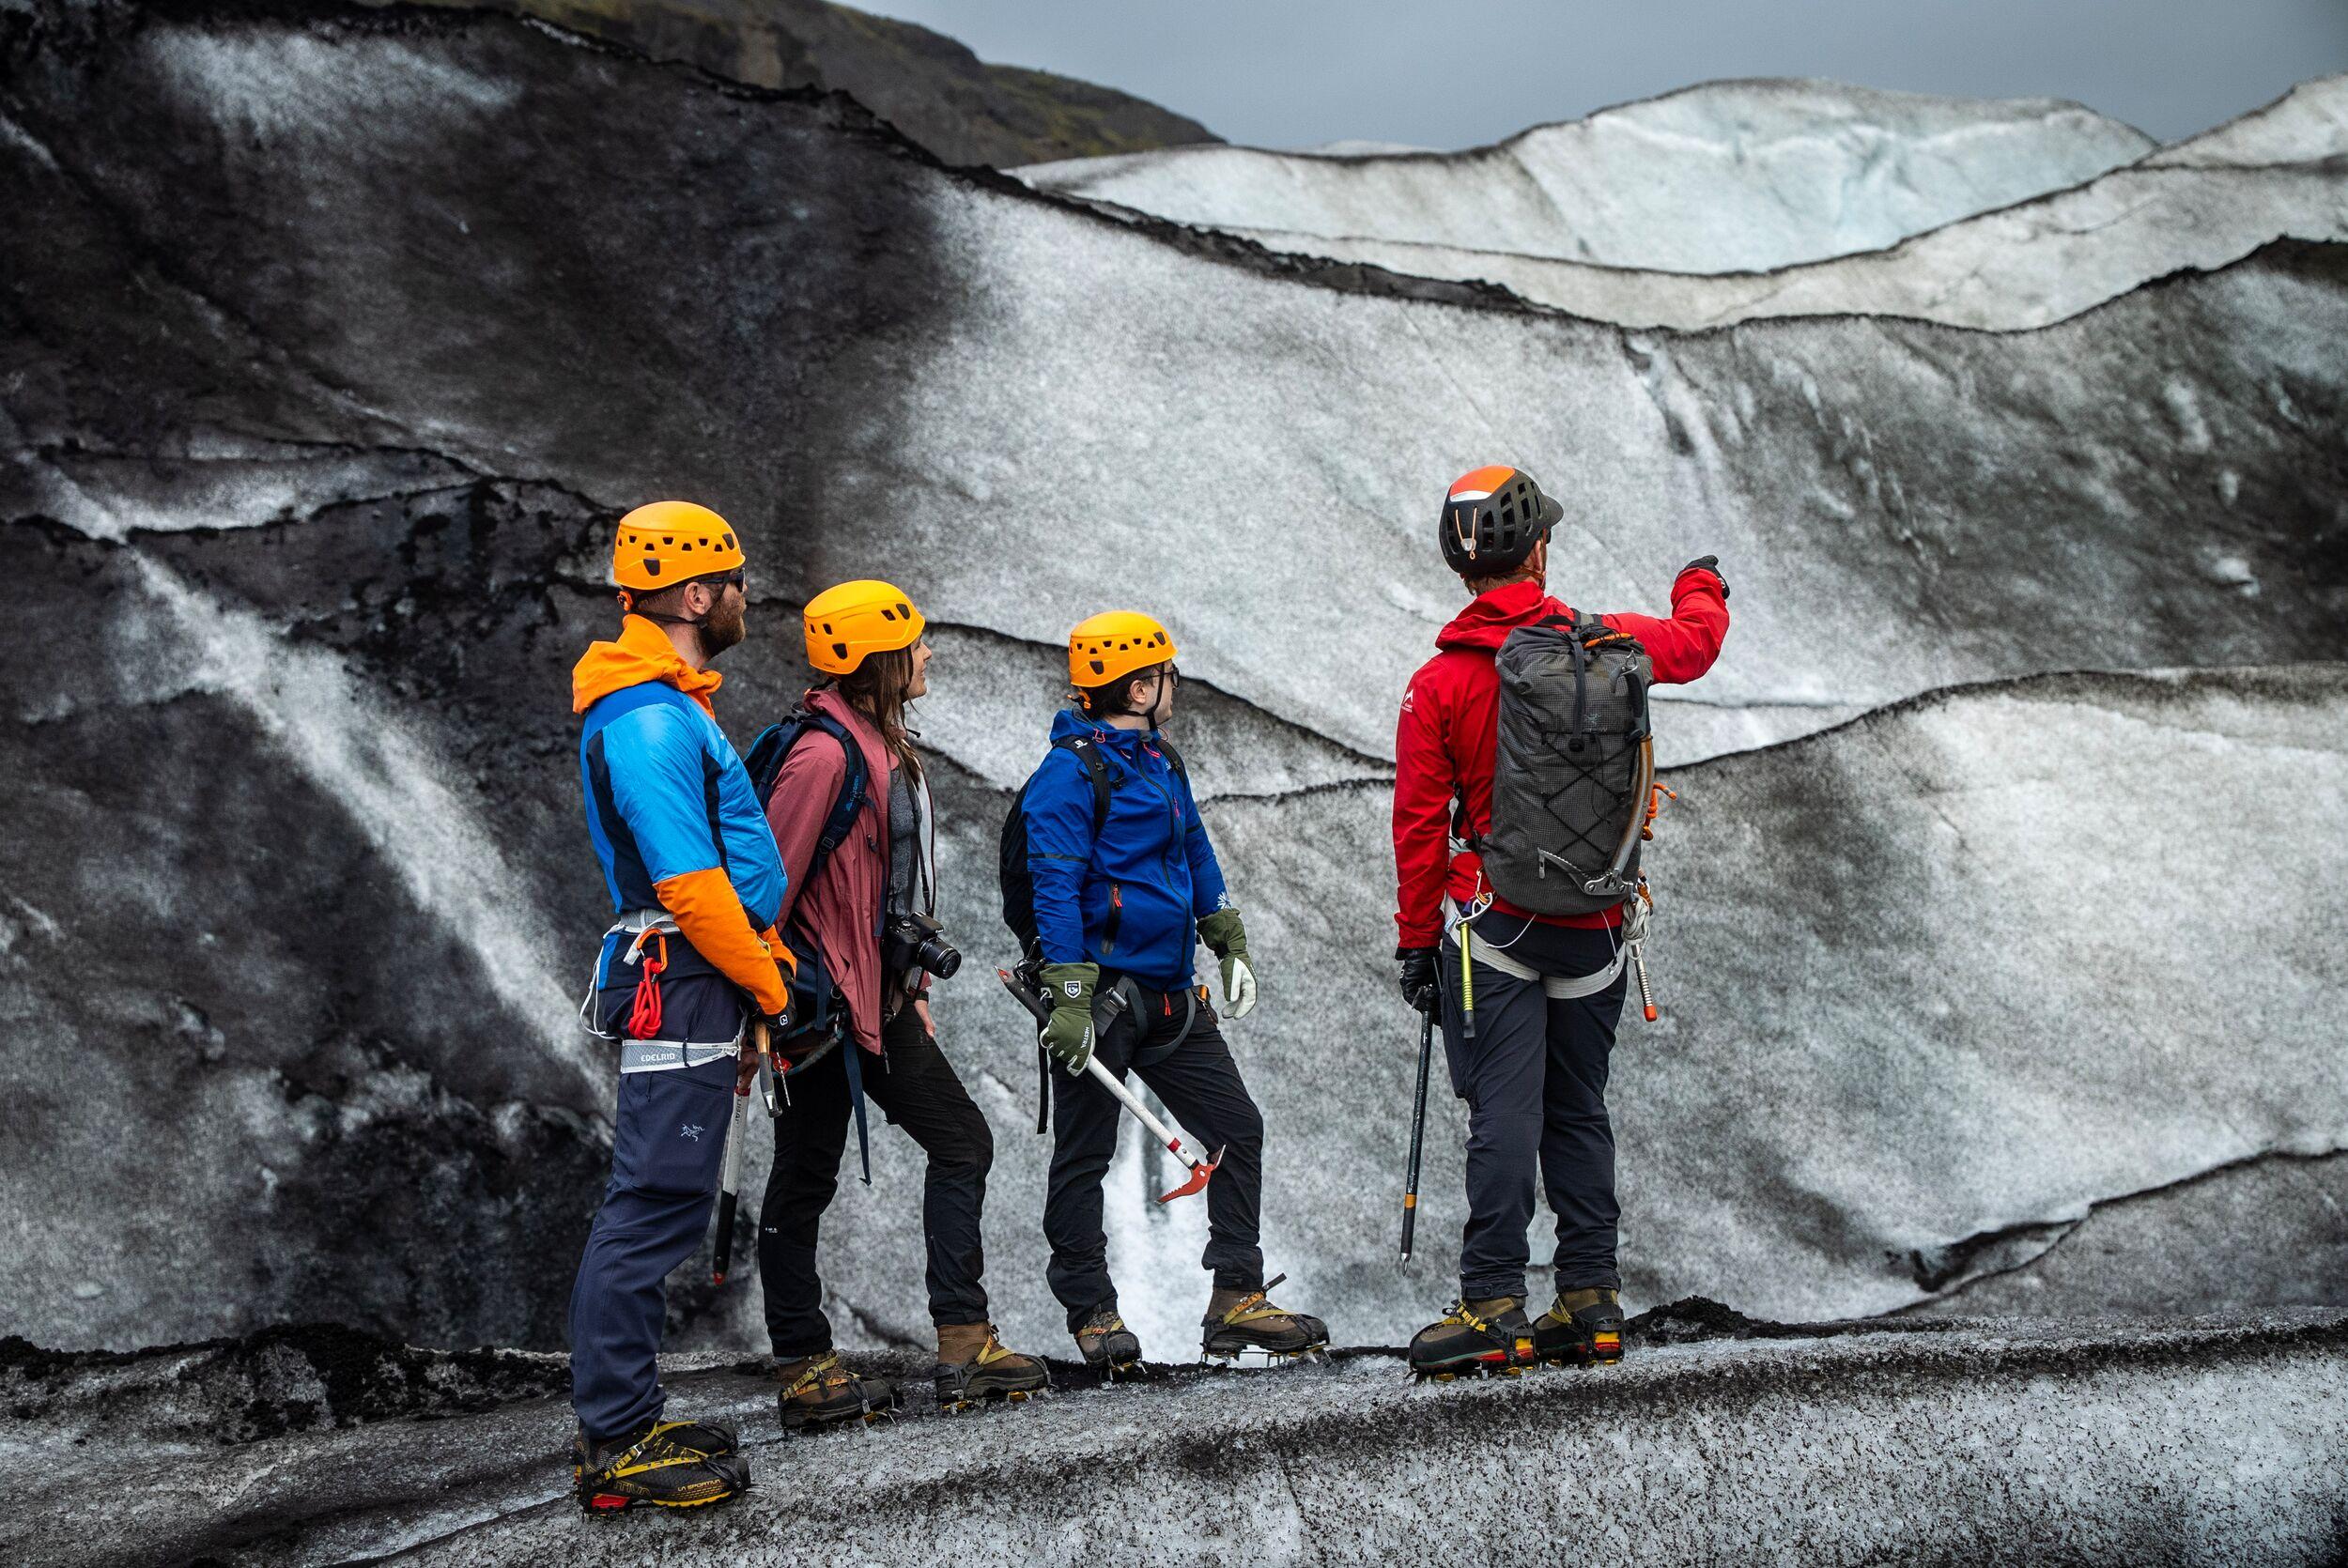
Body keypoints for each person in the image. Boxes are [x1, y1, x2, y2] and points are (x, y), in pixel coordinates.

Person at [1391, 466, 1729, 1377]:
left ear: (1459, 566)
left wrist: (1416, 942)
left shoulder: (1440, 684)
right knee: (1576, 1106)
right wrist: (1699, 581)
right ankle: (1589, 1298)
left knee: (1503, 1110)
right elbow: (1696, 643)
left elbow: (1420, 825)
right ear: (1537, 548)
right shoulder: (1605, 642)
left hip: (1493, 925)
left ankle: (1494, 1303)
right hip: (1595, 921)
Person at [756, 580, 1048, 1422]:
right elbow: (767, 885)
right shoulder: (823, 756)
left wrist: (909, 983)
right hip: (818, 1009)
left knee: (961, 1142)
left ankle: (964, 1343)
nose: (928, 654)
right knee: (806, 1178)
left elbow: (887, 887)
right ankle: (806, 1364)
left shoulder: (883, 744)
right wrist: (764, 1007)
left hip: (876, 1002)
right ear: (876, 658)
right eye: (914, 642)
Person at [1018, 612, 1326, 1373]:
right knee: (1085, 1155)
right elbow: (1054, 885)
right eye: (1164, 673)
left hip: (1170, 994)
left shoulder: (1161, 759)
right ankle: (1093, 1312)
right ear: (1137, 683)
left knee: (1237, 1128)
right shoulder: (1067, 775)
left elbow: (1193, 845)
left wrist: (1225, 934)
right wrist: (1066, 993)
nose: (1173, 685)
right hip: (1102, 1000)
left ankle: (1236, 1301)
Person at [567, 500, 792, 1511]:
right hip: (687, 972)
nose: (746, 598)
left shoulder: (665, 699)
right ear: (697, 594)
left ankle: (628, 1417)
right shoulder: (651, 717)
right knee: (651, 1203)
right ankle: (615, 1440)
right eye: (734, 581)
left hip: (700, 974)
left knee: (661, 1197)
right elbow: (691, 883)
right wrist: (766, 978)